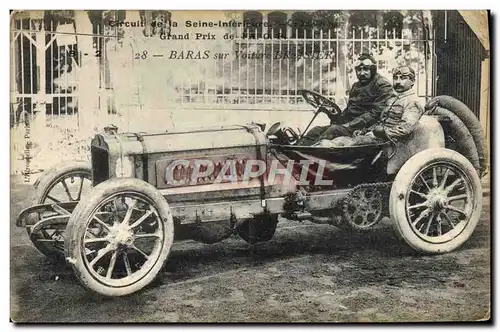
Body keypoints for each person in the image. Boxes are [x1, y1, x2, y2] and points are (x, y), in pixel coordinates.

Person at [315, 65, 424, 147]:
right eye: (396, 78)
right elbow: (381, 121)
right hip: (377, 137)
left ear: (412, 82)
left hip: (390, 143)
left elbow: (404, 129)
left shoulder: (413, 102)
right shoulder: (393, 99)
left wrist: (380, 133)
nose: (398, 82)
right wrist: (365, 131)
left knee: (340, 144)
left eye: (403, 78)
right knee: (337, 140)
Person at [299, 53, 395, 146]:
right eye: (358, 70)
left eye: (366, 69)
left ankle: (310, 152)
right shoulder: (356, 85)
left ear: (373, 70)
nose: (361, 73)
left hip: (364, 128)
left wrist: (349, 125)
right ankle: (297, 148)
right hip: (348, 125)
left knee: (334, 130)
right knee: (316, 130)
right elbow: (350, 109)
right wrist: (335, 116)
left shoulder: (382, 85)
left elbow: (376, 113)